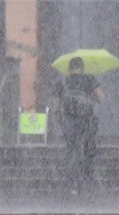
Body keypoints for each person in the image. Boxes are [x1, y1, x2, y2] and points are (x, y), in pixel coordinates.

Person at [54, 56, 105, 201]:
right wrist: (90, 99)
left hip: (69, 122)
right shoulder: (89, 79)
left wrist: (61, 120)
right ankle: (88, 181)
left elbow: (56, 108)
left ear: (70, 68)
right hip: (86, 121)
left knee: (72, 150)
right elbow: (101, 98)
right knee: (88, 150)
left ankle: (71, 184)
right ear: (82, 67)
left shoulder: (62, 81)